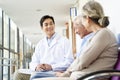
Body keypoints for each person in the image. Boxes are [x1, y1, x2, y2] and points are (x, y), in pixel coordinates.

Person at [56, 1, 118, 79]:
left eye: (82, 20)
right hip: (86, 76)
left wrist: (67, 72)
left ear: (87, 19)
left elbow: (82, 61)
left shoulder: (103, 34)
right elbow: (82, 59)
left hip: (91, 77)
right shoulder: (99, 34)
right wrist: (67, 72)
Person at [13, 15, 74, 80]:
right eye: (46, 24)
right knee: (18, 73)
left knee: (31, 76)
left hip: (56, 71)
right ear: (42, 28)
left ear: (54, 25)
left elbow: (69, 61)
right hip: (41, 71)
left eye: (51, 24)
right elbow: (33, 62)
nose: (49, 26)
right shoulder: (40, 44)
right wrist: (36, 67)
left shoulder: (64, 41)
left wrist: (51, 67)